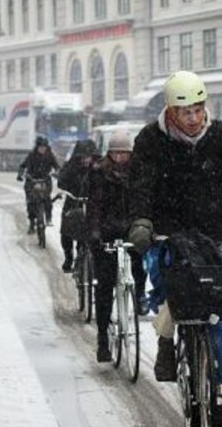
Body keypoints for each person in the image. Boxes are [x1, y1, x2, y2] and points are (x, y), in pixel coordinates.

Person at [126, 70, 222, 427]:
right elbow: (140, 186)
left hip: (213, 236)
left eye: (199, 110)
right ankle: (167, 341)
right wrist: (141, 221)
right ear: (171, 111)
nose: (194, 118)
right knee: (170, 291)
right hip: (167, 234)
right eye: (186, 112)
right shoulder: (150, 141)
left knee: (215, 313)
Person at [85, 131, 148, 362]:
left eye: (124, 152)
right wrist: (94, 233)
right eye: (116, 153)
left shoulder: (139, 173)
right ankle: (103, 338)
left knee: (140, 263)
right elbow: (93, 207)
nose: (120, 157)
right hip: (106, 233)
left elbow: (143, 202)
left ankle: (140, 295)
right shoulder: (99, 174)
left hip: (132, 230)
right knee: (104, 287)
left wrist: (144, 226)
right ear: (109, 154)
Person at [57, 139, 100, 272]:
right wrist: (74, 170)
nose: (86, 160)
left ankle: (89, 258)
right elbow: (61, 181)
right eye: (83, 157)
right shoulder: (71, 166)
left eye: (89, 157)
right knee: (66, 231)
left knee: (94, 230)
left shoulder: (99, 167)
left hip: (94, 203)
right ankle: (68, 257)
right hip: (73, 201)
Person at [17, 135, 61, 233]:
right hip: (32, 181)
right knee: (30, 202)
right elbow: (22, 166)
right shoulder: (31, 155)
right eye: (40, 147)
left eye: (44, 147)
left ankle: (49, 218)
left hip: (45, 181)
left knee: (47, 199)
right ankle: (32, 222)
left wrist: (57, 173)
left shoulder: (50, 155)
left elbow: (57, 166)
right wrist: (20, 175)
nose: (42, 149)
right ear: (37, 147)